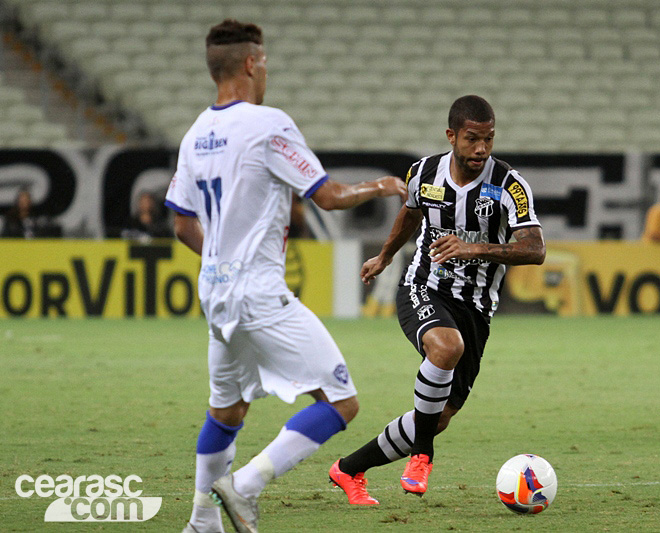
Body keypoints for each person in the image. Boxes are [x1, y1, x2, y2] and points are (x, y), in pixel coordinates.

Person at [165, 20, 406, 533]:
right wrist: (383, 184)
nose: (267, 70)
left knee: (226, 413)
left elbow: (182, 223)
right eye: (266, 61)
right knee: (342, 401)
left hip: (217, 293)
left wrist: (221, 262)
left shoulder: (195, 134)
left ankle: (201, 522)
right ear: (252, 63)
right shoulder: (267, 124)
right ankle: (245, 487)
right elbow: (328, 196)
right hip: (258, 292)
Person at [328, 95, 546, 505]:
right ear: (451, 136)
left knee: (437, 416)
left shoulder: (510, 185)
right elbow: (411, 213)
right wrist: (386, 256)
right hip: (423, 287)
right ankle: (423, 456)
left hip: (477, 307)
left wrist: (473, 249)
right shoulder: (423, 172)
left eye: (488, 139)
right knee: (446, 347)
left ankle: (348, 469)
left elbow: (535, 249)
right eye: (472, 139)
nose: (481, 149)